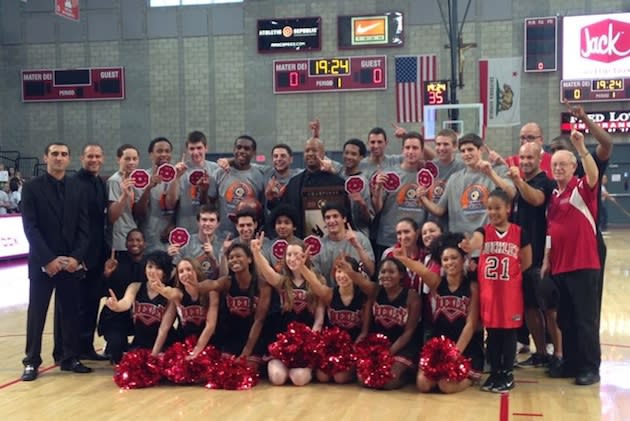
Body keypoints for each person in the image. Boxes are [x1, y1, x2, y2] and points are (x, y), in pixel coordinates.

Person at [21, 142, 91, 381]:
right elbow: (30, 228)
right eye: (54, 154)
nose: (59, 158)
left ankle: (69, 358)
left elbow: (84, 228)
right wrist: (48, 260)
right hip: (43, 264)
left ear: (69, 159)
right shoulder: (31, 187)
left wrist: (76, 258)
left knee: (70, 312)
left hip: (70, 263)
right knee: (37, 313)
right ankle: (31, 361)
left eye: (63, 154)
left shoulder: (78, 187)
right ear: (46, 157)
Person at [543, 130, 601, 385]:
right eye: (555, 164)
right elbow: (550, 232)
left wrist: (581, 148)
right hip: (560, 267)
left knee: (585, 320)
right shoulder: (554, 197)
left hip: (584, 265)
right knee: (565, 319)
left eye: (563, 164)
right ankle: (573, 363)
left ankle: (591, 368)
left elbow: (594, 174)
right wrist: (547, 259)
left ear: (573, 167)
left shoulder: (581, 188)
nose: (558, 168)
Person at [460, 189, 532, 392]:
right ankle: (495, 372)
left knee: (509, 335)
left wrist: (510, 275)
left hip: (510, 294)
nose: (493, 212)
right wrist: (469, 245)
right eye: (489, 208)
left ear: (508, 208)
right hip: (489, 294)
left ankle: (507, 374)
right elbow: (475, 241)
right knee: (492, 335)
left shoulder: (519, 232)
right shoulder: (483, 232)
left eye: (497, 208)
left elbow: (526, 262)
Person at [398, 234, 484, 394]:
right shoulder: (437, 283)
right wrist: (404, 259)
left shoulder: (472, 287)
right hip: (439, 347)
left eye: (454, 258)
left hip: (465, 348)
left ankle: (471, 379)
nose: (450, 262)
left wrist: (455, 354)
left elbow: (470, 325)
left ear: (463, 259)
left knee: (446, 386)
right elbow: (422, 270)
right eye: (445, 259)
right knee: (423, 385)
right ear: (441, 263)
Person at [508, 142, 561, 369]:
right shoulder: (522, 183)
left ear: (540, 158)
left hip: (541, 256)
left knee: (549, 310)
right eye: (522, 157)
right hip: (521, 257)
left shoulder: (545, 183)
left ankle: (558, 355)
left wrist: (517, 180)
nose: (526, 162)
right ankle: (539, 353)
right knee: (529, 307)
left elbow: (536, 200)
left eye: (530, 157)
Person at [251, 234, 324, 386]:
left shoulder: (317, 280)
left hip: (306, 342)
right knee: (277, 378)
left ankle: (308, 369)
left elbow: (319, 320)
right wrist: (257, 253)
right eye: (289, 255)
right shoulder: (283, 281)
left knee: (299, 379)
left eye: (297, 254)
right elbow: (267, 272)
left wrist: (309, 345)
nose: (292, 258)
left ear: (305, 256)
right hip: (284, 342)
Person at [196, 244, 272, 374]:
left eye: (238, 256)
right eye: (230, 257)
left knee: (246, 371)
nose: (234, 260)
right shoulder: (227, 281)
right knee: (224, 372)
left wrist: (245, 353)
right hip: (232, 338)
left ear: (249, 259)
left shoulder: (262, 285)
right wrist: (194, 284)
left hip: (254, 338)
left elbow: (259, 321)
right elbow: (212, 284)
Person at [419, 133, 515, 234]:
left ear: (480, 150)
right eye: (463, 151)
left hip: (488, 238)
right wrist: (422, 198)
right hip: (460, 241)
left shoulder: (498, 170)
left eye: (470, 149)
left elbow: (511, 193)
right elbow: (439, 210)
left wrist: (491, 174)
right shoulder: (454, 178)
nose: (466, 154)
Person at [306, 254, 377, 384]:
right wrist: (301, 267)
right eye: (339, 271)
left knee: (340, 378)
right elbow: (314, 282)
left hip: (354, 346)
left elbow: (364, 332)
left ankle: (355, 370)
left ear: (354, 274)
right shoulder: (329, 294)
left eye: (346, 271)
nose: (342, 275)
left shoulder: (363, 298)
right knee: (322, 377)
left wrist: (351, 352)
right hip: (332, 348)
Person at [70, 143, 109, 361]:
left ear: (102, 158)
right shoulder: (75, 183)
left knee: (92, 302)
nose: (94, 159)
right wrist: (78, 255)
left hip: (97, 253)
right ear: (82, 158)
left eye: (97, 156)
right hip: (81, 255)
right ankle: (72, 351)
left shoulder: (99, 182)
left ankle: (86, 347)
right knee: (78, 306)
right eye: (90, 156)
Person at [358, 257, 421, 389]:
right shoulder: (375, 292)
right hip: (378, 345)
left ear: (401, 275)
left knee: (387, 381)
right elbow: (366, 328)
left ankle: (409, 374)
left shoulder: (412, 297)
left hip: (404, 346)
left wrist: (388, 353)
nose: (386, 275)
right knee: (364, 379)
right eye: (383, 272)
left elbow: (408, 333)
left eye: (391, 272)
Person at [105, 250, 177, 356]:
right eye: (150, 266)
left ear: (165, 272)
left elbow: (164, 329)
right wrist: (116, 306)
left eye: (158, 268)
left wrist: (154, 354)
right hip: (140, 343)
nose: (153, 271)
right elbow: (125, 303)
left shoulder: (170, 293)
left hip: (163, 344)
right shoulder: (135, 286)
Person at [372, 132, 428, 258]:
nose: (411, 151)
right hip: (389, 239)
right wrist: (378, 189)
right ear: (402, 150)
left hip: (417, 242)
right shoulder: (389, 174)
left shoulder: (427, 177)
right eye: (407, 148)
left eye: (415, 148)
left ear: (422, 151)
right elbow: (377, 208)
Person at [150, 258, 220, 359]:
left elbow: (210, 326)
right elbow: (164, 327)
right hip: (184, 345)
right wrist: (153, 355)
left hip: (208, 345)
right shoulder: (178, 294)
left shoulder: (211, 292)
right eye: (181, 271)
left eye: (188, 269)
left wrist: (195, 353)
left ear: (196, 271)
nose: (185, 273)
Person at [280, 137, 350, 238]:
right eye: (307, 150)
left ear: (323, 154)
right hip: (302, 239)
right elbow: (286, 211)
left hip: (333, 240)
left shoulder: (337, 182)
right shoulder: (294, 183)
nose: (310, 153)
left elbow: (345, 213)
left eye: (314, 150)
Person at [97, 229, 147, 363]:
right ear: (125, 244)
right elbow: (102, 290)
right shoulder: (116, 264)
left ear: (145, 244)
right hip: (116, 317)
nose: (134, 243)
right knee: (117, 349)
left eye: (138, 240)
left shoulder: (150, 265)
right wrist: (107, 274)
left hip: (142, 316)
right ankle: (114, 346)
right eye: (131, 240)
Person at [165, 131, 219, 234]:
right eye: (192, 149)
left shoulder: (216, 170)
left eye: (199, 148)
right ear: (187, 150)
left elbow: (215, 204)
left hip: (210, 231)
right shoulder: (180, 170)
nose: (195, 152)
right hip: (185, 229)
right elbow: (170, 204)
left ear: (206, 148)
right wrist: (176, 178)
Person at [311, 203, 375, 285]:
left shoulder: (360, 239)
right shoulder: (320, 246)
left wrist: (357, 246)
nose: (331, 221)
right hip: (331, 294)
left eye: (335, 216)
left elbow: (371, 271)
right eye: (328, 217)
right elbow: (317, 279)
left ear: (344, 219)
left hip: (358, 292)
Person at [135, 137, 176, 252]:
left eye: (167, 151)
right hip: (148, 239)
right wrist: (148, 189)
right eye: (159, 151)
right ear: (151, 154)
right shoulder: (142, 179)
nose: (164, 154)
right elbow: (138, 213)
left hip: (171, 242)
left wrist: (174, 224)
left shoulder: (178, 177)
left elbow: (181, 207)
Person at [167, 205, 223, 280]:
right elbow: (173, 275)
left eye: (212, 220)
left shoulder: (222, 245)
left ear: (218, 224)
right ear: (198, 222)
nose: (207, 224)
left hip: (214, 287)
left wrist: (212, 257)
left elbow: (222, 276)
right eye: (204, 220)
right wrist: (169, 258)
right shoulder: (185, 243)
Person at [427, 128, 465, 228]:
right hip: (431, 222)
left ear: (455, 146)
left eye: (446, 144)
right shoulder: (429, 167)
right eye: (438, 144)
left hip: (453, 223)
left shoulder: (462, 167)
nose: (441, 148)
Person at [107, 144, 142, 251]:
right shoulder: (114, 181)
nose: (131, 162)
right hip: (120, 239)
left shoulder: (140, 180)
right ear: (119, 159)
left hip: (137, 237)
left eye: (134, 159)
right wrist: (124, 194)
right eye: (127, 159)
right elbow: (112, 216)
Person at [340, 138, 374, 238]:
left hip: (359, 235)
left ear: (361, 157)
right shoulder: (338, 173)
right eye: (346, 153)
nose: (349, 157)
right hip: (340, 235)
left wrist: (362, 204)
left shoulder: (363, 182)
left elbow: (369, 219)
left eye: (354, 154)